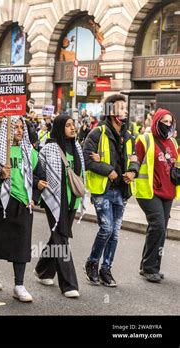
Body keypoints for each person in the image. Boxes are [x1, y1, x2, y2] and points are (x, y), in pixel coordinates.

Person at [0, 117, 39, 302]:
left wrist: (34, 198)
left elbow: (40, 176)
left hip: (23, 202)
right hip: (0, 202)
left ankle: (19, 285)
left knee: (22, 244)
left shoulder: (30, 152)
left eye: (22, 128)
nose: (19, 131)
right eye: (15, 127)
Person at [83, 94, 140, 287]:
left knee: (115, 233)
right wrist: (110, 171)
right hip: (103, 190)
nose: (125, 110)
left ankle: (106, 269)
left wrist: (132, 172)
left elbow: (134, 159)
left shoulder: (129, 135)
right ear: (110, 111)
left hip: (122, 192)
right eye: (121, 107)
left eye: (125, 107)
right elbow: (88, 161)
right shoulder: (96, 133)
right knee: (106, 228)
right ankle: (92, 263)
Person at [33, 115, 86, 298]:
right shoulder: (49, 149)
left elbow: (81, 173)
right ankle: (69, 284)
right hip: (54, 200)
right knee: (62, 239)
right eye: (68, 125)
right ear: (59, 128)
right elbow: (37, 171)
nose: (72, 128)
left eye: (74, 125)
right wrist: (38, 186)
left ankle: (43, 270)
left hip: (73, 200)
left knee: (59, 236)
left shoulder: (78, 147)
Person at [135, 108, 180, 283]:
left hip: (168, 192)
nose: (168, 125)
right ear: (156, 122)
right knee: (158, 226)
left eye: (170, 122)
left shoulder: (173, 143)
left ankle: (148, 265)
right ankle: (149, 268)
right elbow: (134, 160)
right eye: (165, 121)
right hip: (148, 191)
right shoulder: (144, 140)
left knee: (159, 230)